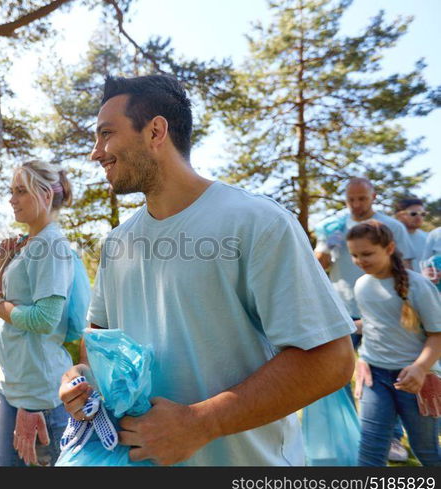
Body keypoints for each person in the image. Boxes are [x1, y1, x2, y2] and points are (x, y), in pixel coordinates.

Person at [58, 75, 355, 466]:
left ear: (155, 131)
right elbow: (97, 337)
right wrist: (80, 377)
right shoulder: (117, 244)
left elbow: (331, 359)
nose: (96, 152)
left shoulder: (257, 223)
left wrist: (199, 423)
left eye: (106, 134)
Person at [0, 160, 82, 466]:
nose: (11, 199)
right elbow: (18, 301)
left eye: (20, 191)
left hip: (39, 397)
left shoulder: (51, 246)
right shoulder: (28, 244)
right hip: (12, 385)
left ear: (46, 195)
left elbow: (44, 320)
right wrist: (4, 264)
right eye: (11, 191)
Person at [346, 221, 441, 466]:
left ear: (389, 248)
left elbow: (437, 334)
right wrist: (342, 329)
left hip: (416, 381)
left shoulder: (419, 286)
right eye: (354, 255)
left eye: (367, 254)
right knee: (370, 450)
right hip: (374, 378)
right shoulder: (362, 285)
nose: (360, 261)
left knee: (427, 451)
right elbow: (373, 324)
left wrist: (420, 368)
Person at [315, 178, 414, 351]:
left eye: (362, 198)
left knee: (383, 366)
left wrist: (404, 302)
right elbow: (317, 268)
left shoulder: (392, 226)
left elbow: (405, 267)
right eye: (350, 199)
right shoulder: (333, 227)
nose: (356, 204)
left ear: (373, 197)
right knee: (338, 369)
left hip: (381, 306)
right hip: (343, 306)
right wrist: (326, 247)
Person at [395, 198, 428, 273]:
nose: (419, 217)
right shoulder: (389, 237)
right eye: (413, 214)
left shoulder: (428, 238)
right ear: (399, 215)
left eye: (423, 214)